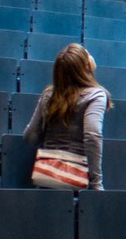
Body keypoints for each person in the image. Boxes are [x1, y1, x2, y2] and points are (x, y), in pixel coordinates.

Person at [23, 43, 109, 190]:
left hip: (47, 179)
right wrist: (96, 183)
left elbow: (30, 137)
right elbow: (92, 136)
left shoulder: (48, 95)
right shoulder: (96, 95)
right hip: (78, 181)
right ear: (86, 66)